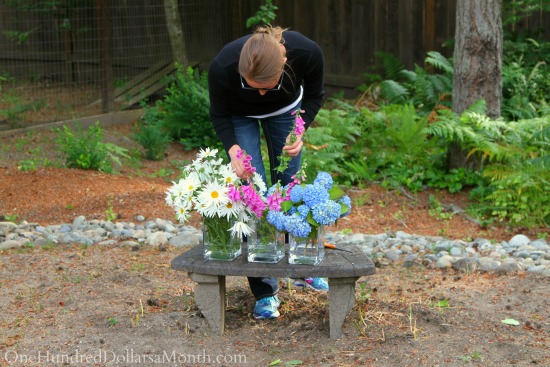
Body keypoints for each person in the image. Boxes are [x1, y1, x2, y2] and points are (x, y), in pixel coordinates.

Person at [208, 25, 327, 320]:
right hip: (240, 115)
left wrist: (301, 129)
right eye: (254, 85)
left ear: (285, 65)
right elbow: (219, 113)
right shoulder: (222, 65)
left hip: (286, 111)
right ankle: (264, 291)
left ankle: (301, 267)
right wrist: (234, 150)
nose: (261, 92)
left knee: (290, 184)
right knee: (255, 194)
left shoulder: (307, 52)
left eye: (267, 85)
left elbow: (315, 95)